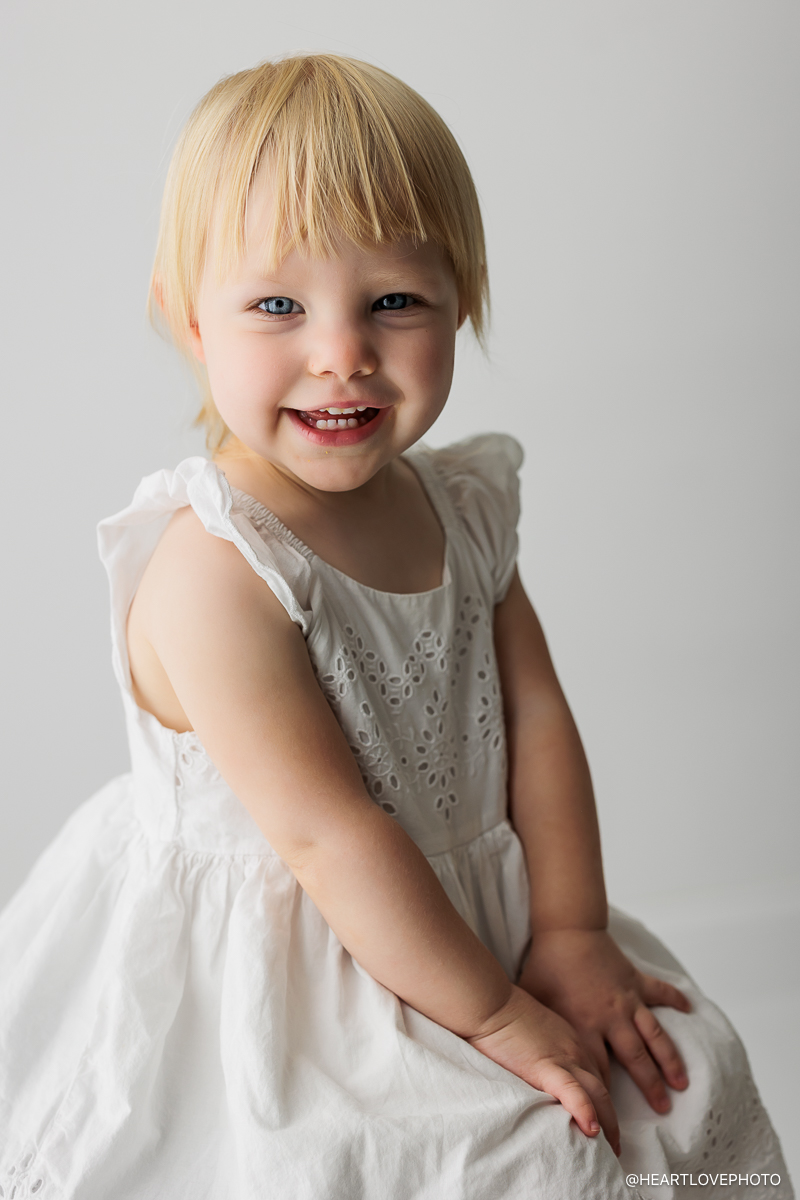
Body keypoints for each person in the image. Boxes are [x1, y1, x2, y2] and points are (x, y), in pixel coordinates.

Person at [0, 53, 791, 1200]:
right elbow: (328, 839)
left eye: (393, 302)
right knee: (504, 1156)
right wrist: (495, 1015)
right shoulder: (215, 569)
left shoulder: (457, 508)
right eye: (278, 305)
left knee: (682, 1080)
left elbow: (535, 719)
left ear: (458, 302)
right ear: (187, 316)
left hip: (462, 917)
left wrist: (568, 934)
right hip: (290, 977)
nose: (341, 353)